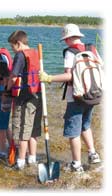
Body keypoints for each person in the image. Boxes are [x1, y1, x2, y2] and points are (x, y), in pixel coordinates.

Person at [39, 23, 102, 172]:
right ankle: (93, 154)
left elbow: (69, 76)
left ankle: (76, 164)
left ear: (68, 39)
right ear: (79, 36)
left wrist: (49, 78)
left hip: (76, 97)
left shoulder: (70, 52)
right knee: (85, 125)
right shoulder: (92, 48)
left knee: (73, 131)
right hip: (93, 95)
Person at [6, 30, 42, 170]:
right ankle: (32, 158)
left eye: (12, 47)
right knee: (33, 129)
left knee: (22, 129)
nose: (12, 49)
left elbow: (14, 77)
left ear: (18, 43)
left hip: (25, 97)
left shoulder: (20, 55)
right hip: (38, 95)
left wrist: (7, 89)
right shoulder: (35, 52)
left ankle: (20, 161)